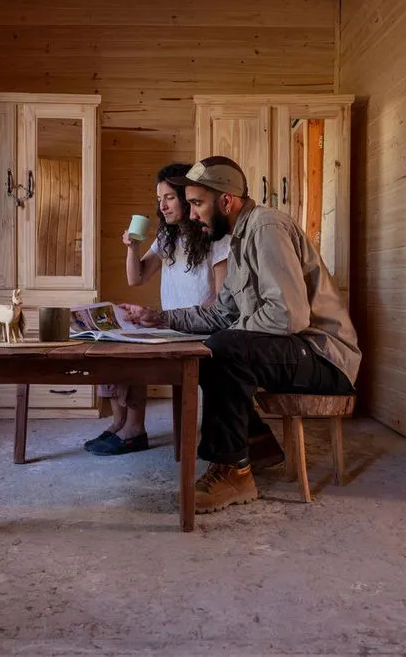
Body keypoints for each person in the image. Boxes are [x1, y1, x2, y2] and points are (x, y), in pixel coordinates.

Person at [120, 155, 362, 514]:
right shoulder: (239, 239)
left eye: (198, 203)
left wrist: (226, 338)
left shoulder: (266, 227)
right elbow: (221, 312)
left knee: (224, 348)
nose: (192, 214)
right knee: (214, 348)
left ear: (226, 201)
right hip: (294, 350)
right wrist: (159, 318)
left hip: (324, 357)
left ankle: (234, 471)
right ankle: (257, 444)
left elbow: (287, 316)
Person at [84, 163, 230, 456]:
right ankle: (120, 422)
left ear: (186, 197)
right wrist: (132, 246)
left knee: (134, 350)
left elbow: (220, 300)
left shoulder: (216, 239)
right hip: (169, 325)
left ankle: (134, 431)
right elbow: (135, 278)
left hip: (198, 328)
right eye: (159, 199)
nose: (162, 206)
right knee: (112, 340)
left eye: (169, 198)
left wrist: (176, 321)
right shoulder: (168, 237)